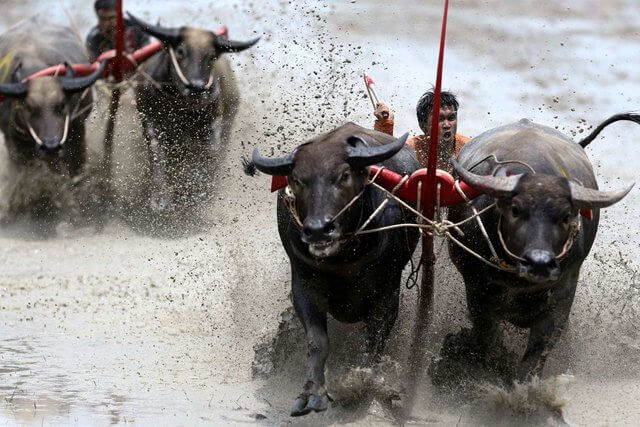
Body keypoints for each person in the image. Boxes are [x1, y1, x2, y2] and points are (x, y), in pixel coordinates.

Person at [373, 90, 470, 172]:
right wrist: (385, 126)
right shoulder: (411, 150)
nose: (447, 125)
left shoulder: (469, 148)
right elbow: (384, 160)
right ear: (423, 126)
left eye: (451, 118)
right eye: (439, 119)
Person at [85, 0, 150, 62]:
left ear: (120, 15)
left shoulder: (137, 28)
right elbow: (94, 65)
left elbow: (148, 55)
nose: (106, 24)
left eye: (111, 18)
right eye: (102, 19)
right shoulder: (93, 38)